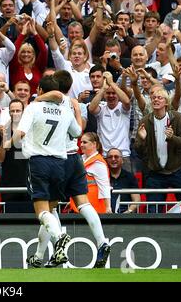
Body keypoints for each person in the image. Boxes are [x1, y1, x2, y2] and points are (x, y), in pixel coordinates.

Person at [27, 71, 110, 269]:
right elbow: (79, 131)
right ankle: (102, 242)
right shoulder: (73, 103)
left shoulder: (45, 104)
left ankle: (51, 252)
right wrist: (78, 110)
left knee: (48, 209)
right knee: (83, 203)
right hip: (75, 157)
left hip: (57, 159)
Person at [12, 75, 82, 268]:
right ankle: (39, 255)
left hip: (39, 162)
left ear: (40, 91)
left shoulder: (33, 107)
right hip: (60, 165)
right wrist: (76, 111)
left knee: (41, 212)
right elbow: (77, 133)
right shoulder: (65, 110)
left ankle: (60, 236)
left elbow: (21, 133)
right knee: (50, 211)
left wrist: (11, 143)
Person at [135, 88, 181, 213]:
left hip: (178, 169)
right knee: (153, 211)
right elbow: (139, 151)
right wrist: (143, 139)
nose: (156, 99)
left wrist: (172, 138)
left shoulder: (177, 118)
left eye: (159, 97)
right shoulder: (145, 121)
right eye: (153, 98)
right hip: (155, 172)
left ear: (166, 103)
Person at [0, 99, 30, 212]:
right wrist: (4, 139)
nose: (15, 113)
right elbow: (0, 158)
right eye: (12, 111)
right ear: (9, 112)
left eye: (18, 111)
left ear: (23, 112)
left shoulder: (30, 129)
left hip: (29, 179)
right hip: (9, 181)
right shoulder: (3, 131)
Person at [70, 132, 112, 214]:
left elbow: (104, 186)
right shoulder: (81, 159)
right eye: (81, 142)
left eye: (85, 142)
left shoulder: (98, 163)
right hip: (82, 205)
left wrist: (108, 207)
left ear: (94, 144)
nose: (81, 144)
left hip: (94, 207)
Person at [106, 148, 140, 213]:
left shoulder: (130, 177)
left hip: (126, 217)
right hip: (105, 215)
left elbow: (137, 199)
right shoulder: (102, 177)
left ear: (122, 160)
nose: (113, 159)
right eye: (110, 157)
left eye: (116, 157)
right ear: (106, 160)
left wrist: (128, 212)